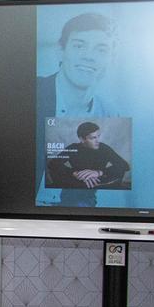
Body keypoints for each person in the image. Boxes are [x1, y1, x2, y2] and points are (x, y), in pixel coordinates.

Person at [36, 12, 118, 207]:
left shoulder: (109, 114)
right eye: (79, 46)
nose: (89, 56)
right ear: (60, 50)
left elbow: (110, 174)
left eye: (101, 49)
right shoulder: (28, 93)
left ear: (111, 59)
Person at [46, 122, 130, 196]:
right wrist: (74, 173)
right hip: (77, 183)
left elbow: (125, 165)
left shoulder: (104, 148)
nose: (98, 141)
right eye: (93, 138)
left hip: (100, 183)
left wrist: (98, 172)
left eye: (98, 136)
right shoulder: (73, 147)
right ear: (82, 139)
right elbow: (52, 164)